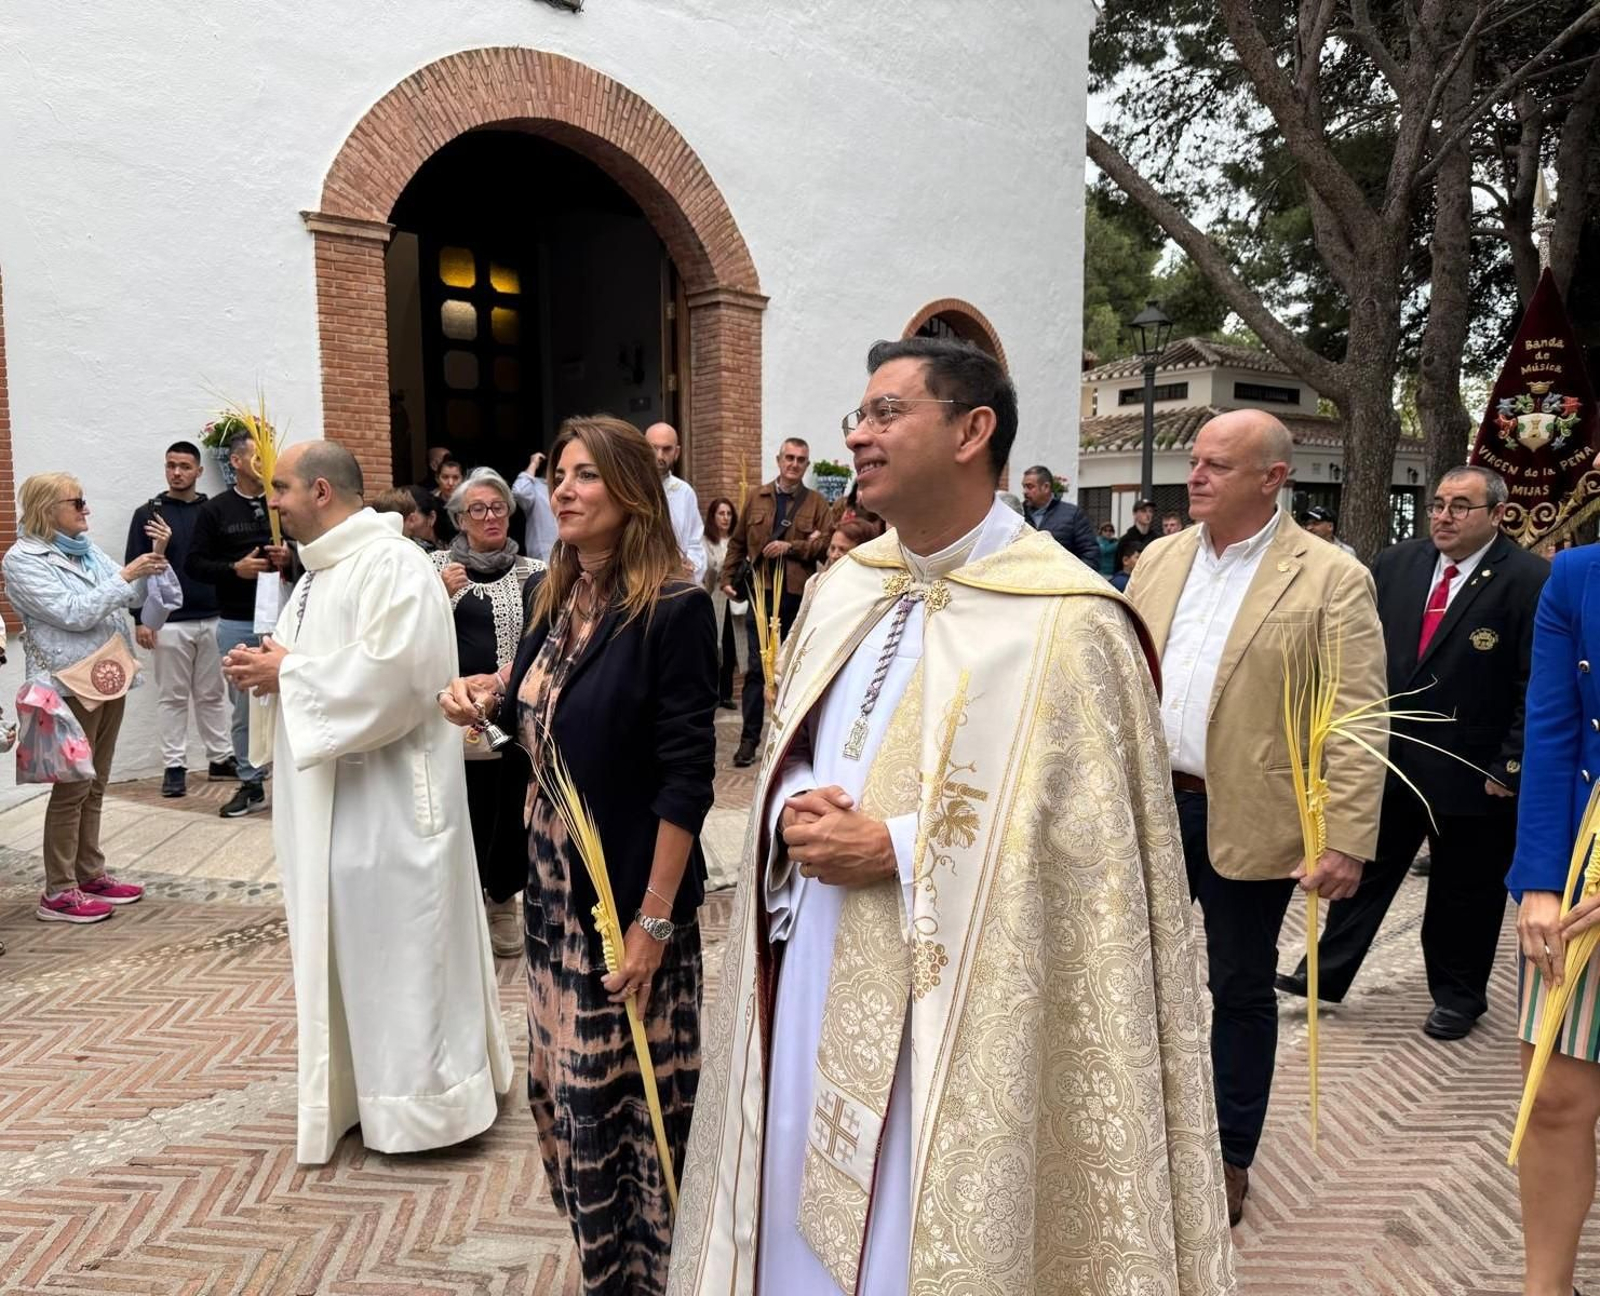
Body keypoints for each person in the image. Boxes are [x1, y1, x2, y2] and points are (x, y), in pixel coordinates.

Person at [669, 337, 1233, 1295]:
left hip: (962, 989)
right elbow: (798, 746)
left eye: (887, 413)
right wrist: (791, 806)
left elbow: (1089, 854)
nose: (859, 435)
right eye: (858, 415)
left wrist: (896, 845)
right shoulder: (847, 586)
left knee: (917, 1214)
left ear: (974, 431)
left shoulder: (1069, 620)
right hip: (813, 953)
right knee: (795, 1162)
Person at [440, 414, 716, 1294]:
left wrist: (653, 923)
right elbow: (534, 704)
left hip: (624, 899)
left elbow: (686, 780)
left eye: (587, 474)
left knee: (629, 1115)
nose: (564, 489)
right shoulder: (559, 593)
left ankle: (659, 1276)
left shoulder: (674, 609)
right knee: (564, 1105)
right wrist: (482, 696)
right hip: (554, 897)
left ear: (633, 491)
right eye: (559, 474)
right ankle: (607, 1270)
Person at [1125, 408, 1388, 1227]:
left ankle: (1228, 1154)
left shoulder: (1330, 577)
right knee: (1130, 977)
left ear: (1273, 478)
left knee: (1238, 987)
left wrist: (1346, 838)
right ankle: (1136, 1137)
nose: (1195, 476)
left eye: (1217, 465)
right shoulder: (1160, 557)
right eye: (1195, 462)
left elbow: (1358, 714)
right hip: (1149, 807)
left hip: (1249, 813)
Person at [221, 440, 511, 1164]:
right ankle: (360, 1097)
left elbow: (402, 677)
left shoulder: (393, 564)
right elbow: (308, 663)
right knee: (353, 956)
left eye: (281, 488)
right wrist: (266, 668)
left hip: (393, 809)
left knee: (404, 956)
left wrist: (291, 673)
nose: (272, 502)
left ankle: (427, 1109)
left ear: (321, 491)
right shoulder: (317, 574)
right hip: (335, 805)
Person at [1279, 466, 1547, 1039]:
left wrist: (1511, 763)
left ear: (1498, 514)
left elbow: (1536, 682)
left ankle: (1458, 996)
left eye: (1460, 506)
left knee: (1464, 893)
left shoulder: (1528, 579)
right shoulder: (1396, 564)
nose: (1444, 517)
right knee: (1360, 870)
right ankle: (1323, 974)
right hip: (1389, 757)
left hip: (1472, 770)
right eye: (1438, 504)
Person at [1505, 474, 1600, 1295]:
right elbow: (1551, 729)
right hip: (1581, 868)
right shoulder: (1576, 576)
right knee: (1554, 1099)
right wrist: (1540, 880)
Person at [5, 474, 169, 924]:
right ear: (47, 508)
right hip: (68, 685)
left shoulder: (86, 549)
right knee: (72, 787)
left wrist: (153, 560)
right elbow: (73, 613)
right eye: (76, 502)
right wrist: (127, 575)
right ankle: (59, 891)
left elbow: (127, 596)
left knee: (95, 783)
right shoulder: (22, 560)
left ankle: (90, 872)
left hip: (107, 676)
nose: (86, 509)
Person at [433, 467, 543, 958]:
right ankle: (460, 904)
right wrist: (438, 595)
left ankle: (502, 900)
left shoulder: (534, 572)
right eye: (477, 509)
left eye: (498, 507)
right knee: (458, 807)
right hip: (452, 711)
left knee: (506, 806)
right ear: (460, 519)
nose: (490, 516)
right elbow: (408, 635)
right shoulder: (435, 568)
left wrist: (499, 681)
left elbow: (545, 639)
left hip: (508, 712)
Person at [186, 429, 288, 818]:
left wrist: (291, 557)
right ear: (236, 461)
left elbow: (312, 550)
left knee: (296, 697)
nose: (266, 465)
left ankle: (295, 781)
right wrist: (235, 568)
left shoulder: (282, 503)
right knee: (245, 707)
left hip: (287, 619)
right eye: (257, 457)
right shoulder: (215, 510)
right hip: (238, 619)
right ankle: (250, 781)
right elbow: (194, 564)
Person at [124, 441, 235, 798]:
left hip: (214, 616)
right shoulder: (148, 514)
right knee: (172, 697)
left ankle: (220, 759)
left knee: (213, 693)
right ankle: (174, 767)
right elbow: (135, 567)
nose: (176, 472)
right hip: (169, 622)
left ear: (199, 471)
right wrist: (140, 618)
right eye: (171, 465)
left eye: (185, 466)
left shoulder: (212, 512)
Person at [720, 437, 830, 767]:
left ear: (806, 465)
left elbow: (827, 545)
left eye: (800, 460)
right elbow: (738, 542)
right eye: (789, 458)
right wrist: (727, 577)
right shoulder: (757, 497)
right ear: (779, 460)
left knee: (794, 668)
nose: (794, 464)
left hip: (796, 594)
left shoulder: (816, 503)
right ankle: (749, 741)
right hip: (761, 591)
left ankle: (790, 741)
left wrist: (792, 547)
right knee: (757, 668)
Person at [645, 422, 707, 583]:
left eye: (667, 449)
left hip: (674, 582)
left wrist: (690, 565)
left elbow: (695, 542)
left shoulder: (685, 492)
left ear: (677, 452)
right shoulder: (628, 488)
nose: (659, 456)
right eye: (653, 448)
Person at [703, 496, 745, 710]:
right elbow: (709, 569)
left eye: (729, 513)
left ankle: (726, 694)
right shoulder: (705, 541)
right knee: (713, 646)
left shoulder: (736, 541)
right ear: (713, 516)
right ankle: (710, 693)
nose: (725, 518)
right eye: (721, 513)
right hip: (714, 598)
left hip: (734, 600)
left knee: (730, 647)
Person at [1020, 463, 1098, 565]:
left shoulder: (1072, 515)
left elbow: (1090, 553)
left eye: (1030, 487)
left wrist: (1071, 573)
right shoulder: (1018, 515)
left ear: (1046, 487)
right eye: (1024, 487)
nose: (1025, 492)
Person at [512, 449, 558, 563]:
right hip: (543, 558)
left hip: (568, 555)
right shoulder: (535, 486)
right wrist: (534, 464)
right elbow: (520, 492)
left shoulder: (566, 487)